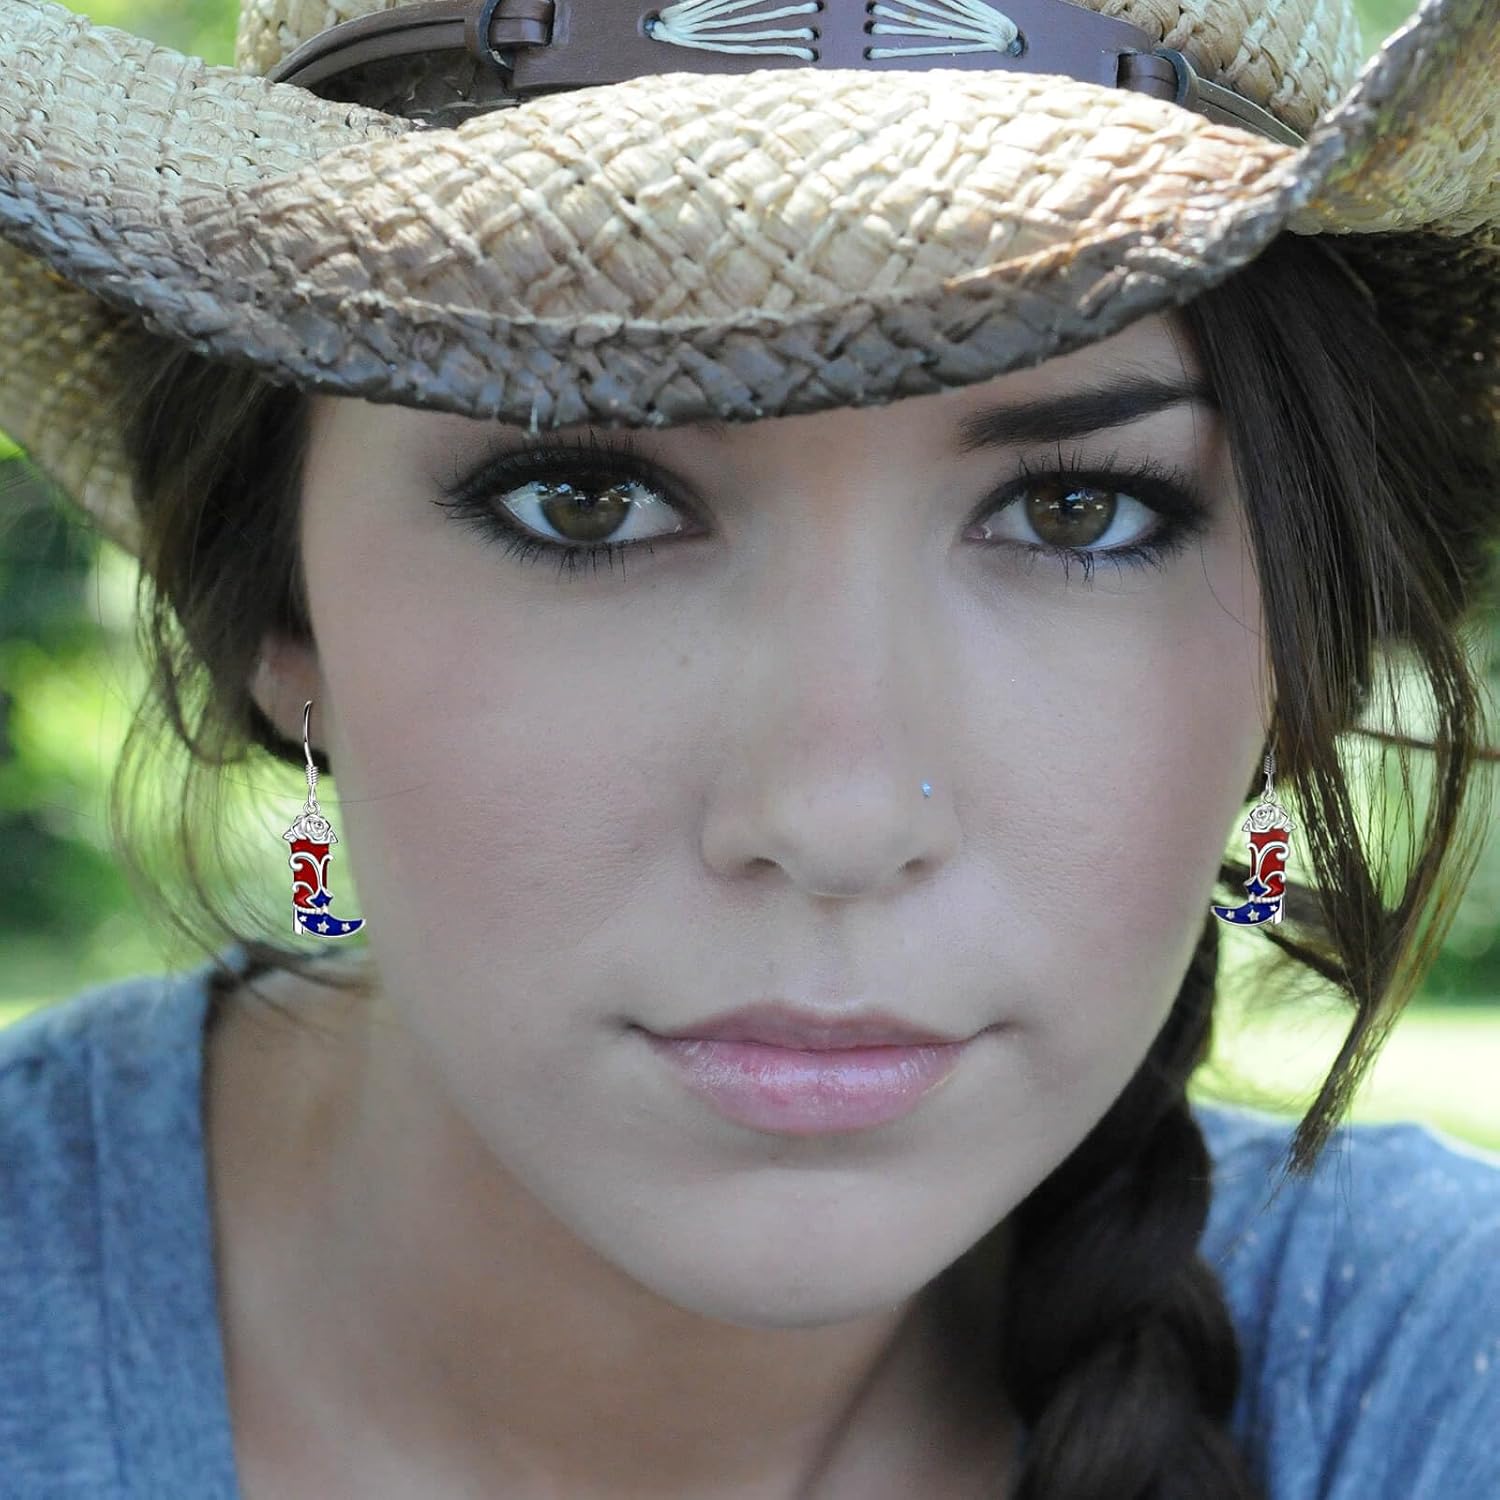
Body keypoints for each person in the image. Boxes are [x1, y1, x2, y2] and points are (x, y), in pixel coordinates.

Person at [0, 0, 1497, 1495]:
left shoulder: (1436, 1375)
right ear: (281, 606)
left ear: (1297, 654)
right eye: (586, 502)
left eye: (1074, 512)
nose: (839, 818)